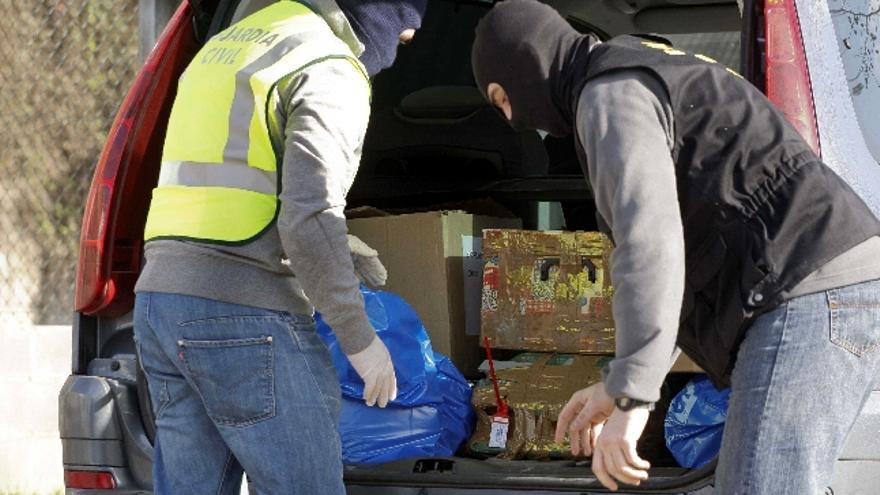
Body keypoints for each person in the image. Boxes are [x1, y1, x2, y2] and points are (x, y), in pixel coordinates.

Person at [471, 0, 880, 493]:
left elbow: (650, 250)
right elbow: (678, 270)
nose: (514, 118)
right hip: (826, 290)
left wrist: (633, 403)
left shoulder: (608, 96)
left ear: (522, 69)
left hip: (808, 291)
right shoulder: (633, 73)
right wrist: (618, 384)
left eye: (501, 101)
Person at [132, 0, 426, 493]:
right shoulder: (329, 66)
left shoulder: (224, 47)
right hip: (243, 317)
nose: (407, 38)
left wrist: (338, 250)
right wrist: (361, 340)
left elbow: (236, 185)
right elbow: (309, 217)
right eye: (403, 20)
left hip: (160, 306)